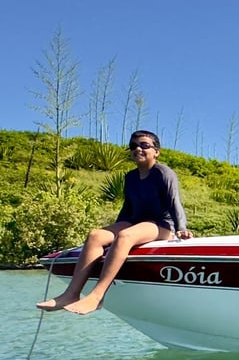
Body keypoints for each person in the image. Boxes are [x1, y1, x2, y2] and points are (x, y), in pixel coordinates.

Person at [36, 130, 193, 315]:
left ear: (156, 151)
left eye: (144, 145)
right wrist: (111, 235)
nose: (138, 149)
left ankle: (96, 296)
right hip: (136, 221)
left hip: (162, 225)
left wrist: (182, 228)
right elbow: (127, 209)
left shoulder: (163, 173)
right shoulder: (130, 178)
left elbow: (175, 202)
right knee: (96, 235)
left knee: (126, 236)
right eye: (134, 146)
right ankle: (71, 294)